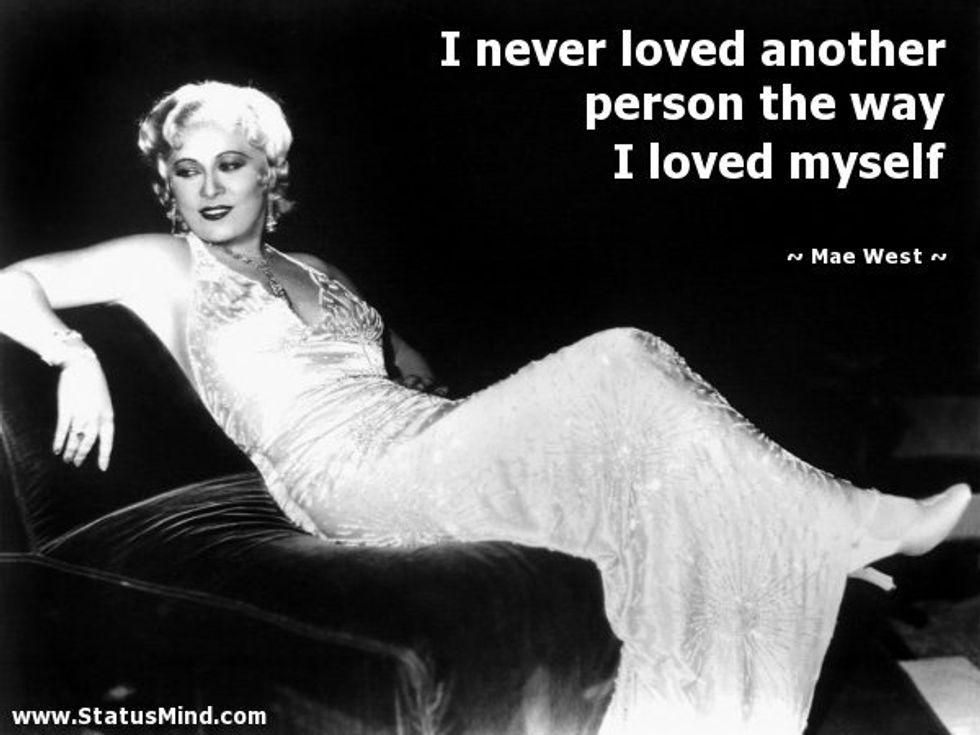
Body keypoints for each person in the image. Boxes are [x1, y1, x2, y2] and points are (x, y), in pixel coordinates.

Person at [0, 80, 971, 734]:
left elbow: (405, 369)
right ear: (167, 185)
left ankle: (779, 546)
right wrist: (69, 351)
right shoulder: (161, 266)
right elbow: (10, 282)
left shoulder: (320, 270)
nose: (209, 187)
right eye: (187, 169)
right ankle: (853, 518)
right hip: (346, 479)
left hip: (420, 440)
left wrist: (481, 413)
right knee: (622, 357)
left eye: (230, 163)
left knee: (653, 465)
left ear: (269, 171)